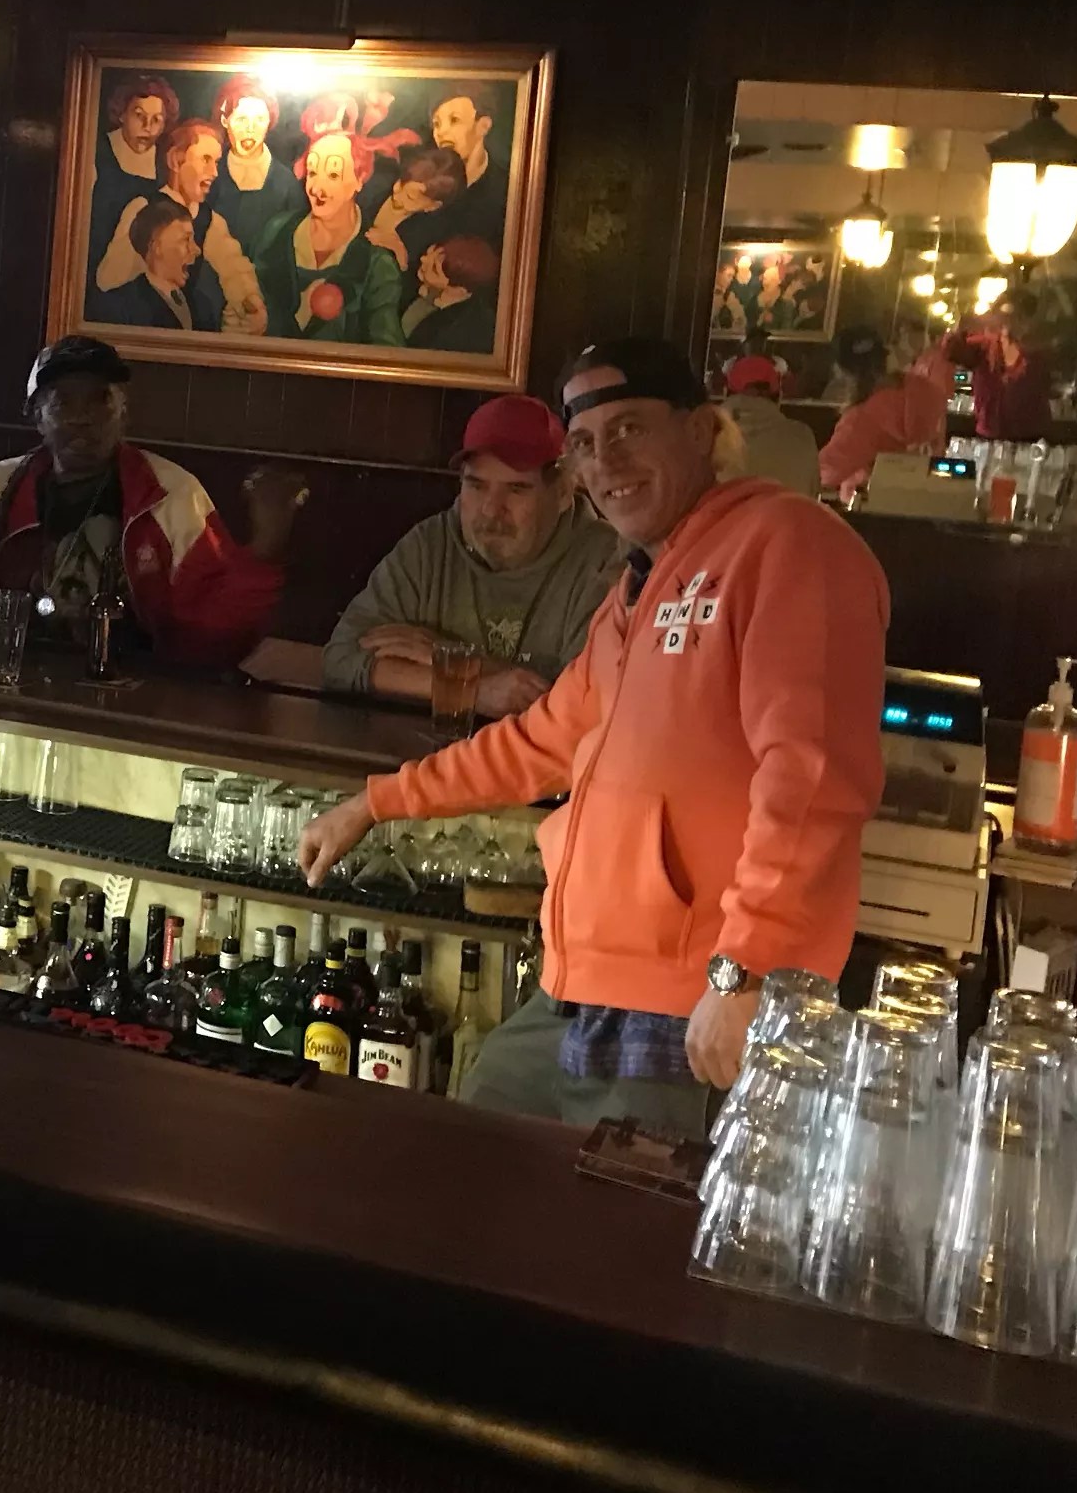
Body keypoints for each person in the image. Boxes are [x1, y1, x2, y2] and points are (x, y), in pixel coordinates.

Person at [299, 337, 888, 1134]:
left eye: (630, 429)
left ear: (701, 431)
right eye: (584, 442)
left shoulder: (787, 544)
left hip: (689, 999)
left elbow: (810, 780)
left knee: (615, 1212)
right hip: (579, 987)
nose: (606, 461)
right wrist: (375, 803)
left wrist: (743, 972)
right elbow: (537, 741)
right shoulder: (637, 588)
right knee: (466, 1157)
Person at [0, 335, 303, 667]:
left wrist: (266, 547)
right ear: (37, 418)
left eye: (100, 400)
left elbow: (213, 639)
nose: (83, 417)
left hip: (134, 694)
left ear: (123, 412)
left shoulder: (171, 492)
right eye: (63, 402)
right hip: (10, 683)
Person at [321, 394, 626, 712]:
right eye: (476, 485)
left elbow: (588, 702)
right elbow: (340, 658)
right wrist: (471, 690)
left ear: (562, 493)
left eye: (516, 489)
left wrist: (451, 657)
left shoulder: (607, 560)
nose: (491, 510)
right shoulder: (432, 544)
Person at [87, 118, 262, 331]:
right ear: (175, 161)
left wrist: (252, 304)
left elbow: (235, 269)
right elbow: (109, 280)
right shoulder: (143, 208)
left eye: (216, 162)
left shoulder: (209, 220)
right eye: (205, 159)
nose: (214, 172)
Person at [280, 129, 405, 346]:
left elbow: (387, 348)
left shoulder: (376, 262)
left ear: (360, 179)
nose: (317, 187)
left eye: (333, 175)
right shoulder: (278, 231)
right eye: (312, 172)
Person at [205, 78, 305, 328]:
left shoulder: (286, 185)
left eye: (259, 120)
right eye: (241, 119)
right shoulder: (210, 177)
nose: (250, 129)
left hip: (271, 310)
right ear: (225, 120)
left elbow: (292, 263)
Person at [818, 324, 949, 497]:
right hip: (934, 499)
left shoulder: (861, 420)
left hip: (877, 507)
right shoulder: (929, 392)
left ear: (841, 370)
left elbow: (825, 473)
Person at [85, 74, 177, 287]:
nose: (148, 127)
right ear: (121, 115)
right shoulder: (97, 152)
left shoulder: (165, 163)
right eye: (139, 116)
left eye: (157, 120)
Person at [947, 286, 1055, 440]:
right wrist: (964, 324)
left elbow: (1039, 386)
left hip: (1029, 439)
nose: (1009, 323)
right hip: (988, 437)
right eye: (1005, 316)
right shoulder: (985, 346)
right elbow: (951, 350)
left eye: (1018, 317)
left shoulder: (1038, 353)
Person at [717, 353, 822, 497]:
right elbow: (814, 493)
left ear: (726, 393)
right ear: (778, 397)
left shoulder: (705, 439)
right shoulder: (803, 438)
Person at [88, 197, 202, 328]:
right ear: (156, 247)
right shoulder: (120, 306)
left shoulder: (201, 304)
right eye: (186, 239)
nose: (197, 250)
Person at [428, 87, 510, 259]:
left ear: (483, 126)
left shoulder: (507, 189)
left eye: (454, 120)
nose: (441, 132)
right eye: (437, 124)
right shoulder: (423, 186)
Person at [400, 234, 500, 354]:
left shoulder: (461, 332)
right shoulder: (408, 280)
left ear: (458, 290)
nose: (423, 259)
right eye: (430, 252)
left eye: (435, 267)